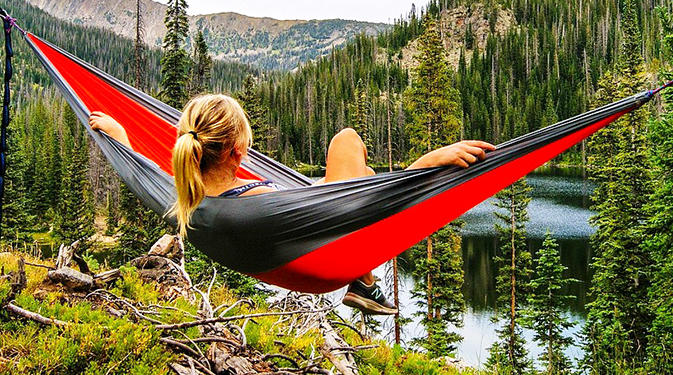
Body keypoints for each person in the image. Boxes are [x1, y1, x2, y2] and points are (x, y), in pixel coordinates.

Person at [90, 94, 494, 315]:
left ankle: (366, 282)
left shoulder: (185, 198)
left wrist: (121, 137)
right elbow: (364, 209)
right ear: (237, 150)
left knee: (361, 169)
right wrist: (426, 166)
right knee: (347, 140)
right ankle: (364, 280)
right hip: (324, 257)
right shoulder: (257, 206)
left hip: (299, 237)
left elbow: (144, 175)